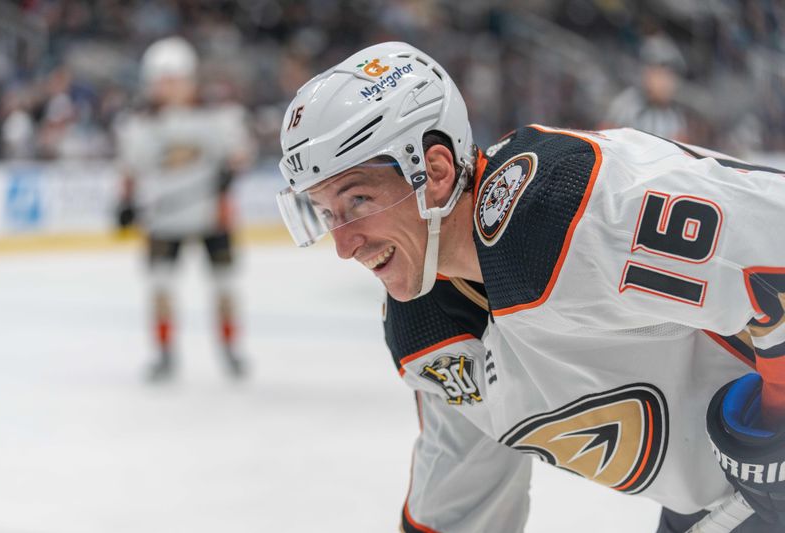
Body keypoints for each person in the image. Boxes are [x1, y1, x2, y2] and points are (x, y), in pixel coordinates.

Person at [276, 41, 785, 531]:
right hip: (725, 505)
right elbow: (459, 504)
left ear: (434, 171)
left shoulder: (563, 207)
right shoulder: (426, 331)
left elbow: (773, 250)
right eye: (326, 213)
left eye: (359, 200)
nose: (344, 245)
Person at [116, 36, 254, 381]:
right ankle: (164, 353)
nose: (167, 88)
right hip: (163, 219)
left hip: (211, 216)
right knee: (160, 287)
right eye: (161, 81)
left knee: (224, 287)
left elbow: (240, 154)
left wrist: (228, 179)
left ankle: (229, 348)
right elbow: (130, 170)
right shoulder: (138, 123)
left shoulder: (217, 116)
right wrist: (125, 202)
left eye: (172, 79)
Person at [602, 34, 690, 142]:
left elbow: (681, 149)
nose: (667, 84)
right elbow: (603, 140)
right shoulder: (627, 104)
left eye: (671, 77)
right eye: (660, 75)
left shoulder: (674, 116)